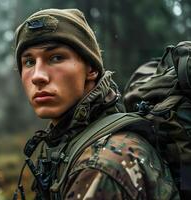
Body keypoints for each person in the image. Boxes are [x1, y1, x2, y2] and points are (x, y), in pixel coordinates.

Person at [13, 8, 180, 199]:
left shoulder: (100, 167)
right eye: (29, 62)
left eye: (56, 57)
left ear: (91, 69)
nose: (38, 76)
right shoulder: (67, 142)